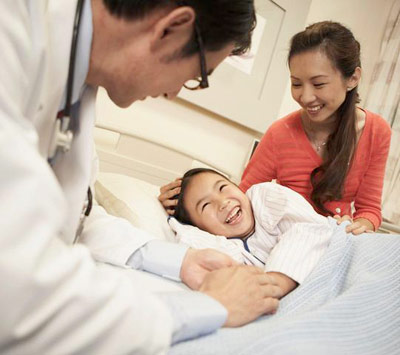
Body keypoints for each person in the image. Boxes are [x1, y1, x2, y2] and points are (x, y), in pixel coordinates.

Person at [0, 1, 282, 353]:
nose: (174, 92)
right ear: (172, 27)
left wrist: (180, 261)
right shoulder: (10, 31)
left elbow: (77, 217)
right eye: (196, 76)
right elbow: (17, 291)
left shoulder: (78, 81)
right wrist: (209, 306)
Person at [159, 21, 392, 236]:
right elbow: (244, 196)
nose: (305, 96)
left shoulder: (376, 131)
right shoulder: (281, 133)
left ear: (352, 78)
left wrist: (358, 226)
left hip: (336, 240)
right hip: (285, 242)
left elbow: (369, 209)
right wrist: (184, 200)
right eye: (296, 83)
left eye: (318, 83)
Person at [168, 168, 334, 299]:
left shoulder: (264, 198)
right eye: (205, 206)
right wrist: (172, 216)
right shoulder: (223, 247)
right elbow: (192, 242)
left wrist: (277, 281)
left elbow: (309, 228)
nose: (223, 203)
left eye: (222, 187)